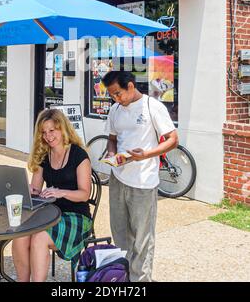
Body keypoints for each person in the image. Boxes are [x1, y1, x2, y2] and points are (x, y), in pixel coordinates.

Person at [102, 71, 178, 282]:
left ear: (131, 87)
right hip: (118, 177)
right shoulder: (115, 110)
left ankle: (140, 281)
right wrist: (111, 153)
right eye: (112, 95)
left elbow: (173, 140)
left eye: (118, 93)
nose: (116, 99)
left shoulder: (152, 106)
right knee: (120, 233)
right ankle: (124, 276)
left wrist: (146, 154)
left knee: (142, 238)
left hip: (143, 181)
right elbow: (112, 138)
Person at [12, 108, 92, 282]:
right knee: (21, 234)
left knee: (39, 238)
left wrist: (60, 192)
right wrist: (28, 190)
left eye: (52, 130)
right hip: (50, 215)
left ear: (62, 129)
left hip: (77, 217)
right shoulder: (44, 156)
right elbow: (35, 189)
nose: (48, 136)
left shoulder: (79, 155)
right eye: (43, 132)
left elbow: (85, 195)